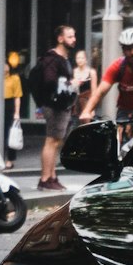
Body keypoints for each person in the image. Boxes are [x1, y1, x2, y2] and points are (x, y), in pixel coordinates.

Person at [80, 26, 133, 136]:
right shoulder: (118, 66)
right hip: (125, 111)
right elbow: (100, 91)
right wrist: (87, 111)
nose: (132, 52)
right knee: (116, 138)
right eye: (128, 49)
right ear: (123, 50)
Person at [33, 24, 77, 192]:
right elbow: (50, 80)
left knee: (56, 141)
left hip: (60, 104)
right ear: (60, 38)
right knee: (52, 140)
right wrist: (70, 83)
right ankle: (45, 178)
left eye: (74, 36)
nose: (74, 39)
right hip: (54, 105)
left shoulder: (63, 59)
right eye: (70, 36)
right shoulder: (53, 59)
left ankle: (51, 177)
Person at [3, 56, 22, 169]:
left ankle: (10, 159)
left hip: (9, 105)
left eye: (6, 65)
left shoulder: (14, 78)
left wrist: (17, 112)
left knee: (11, 134)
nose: (5, 67)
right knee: (0, 133)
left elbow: (17, 97)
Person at [71, 48, 98, 121]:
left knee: (86, 125)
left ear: (86, 59)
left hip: (87, 102)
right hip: (75, 103)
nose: (80, 60)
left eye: (82, 58)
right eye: (78, 58)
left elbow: (94, 92)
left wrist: (92, 108)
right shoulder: (73, 72)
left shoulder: (91, 72)